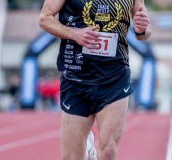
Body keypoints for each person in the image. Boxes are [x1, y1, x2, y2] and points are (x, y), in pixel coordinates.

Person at [39, 0, 151, 159]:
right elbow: (45, 18)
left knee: (108, 151)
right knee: (71, 157)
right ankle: (88, 153)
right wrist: (74, 33)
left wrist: (143, 30)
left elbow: (144, 30)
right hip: (75, 78)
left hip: (114, 77)